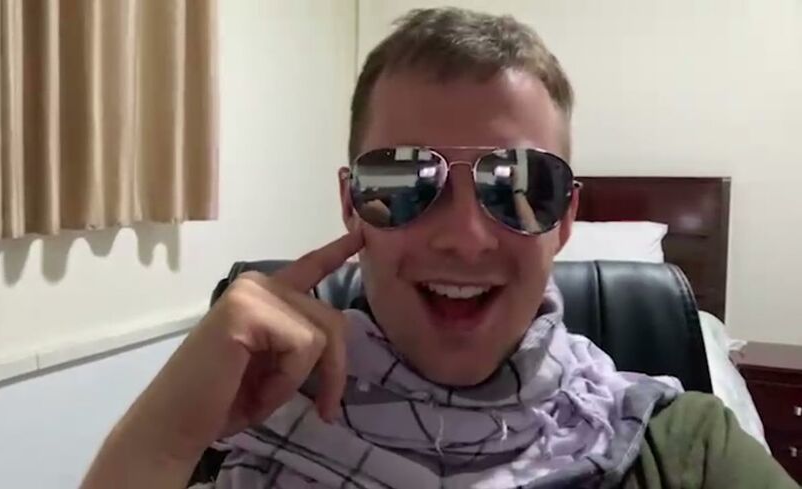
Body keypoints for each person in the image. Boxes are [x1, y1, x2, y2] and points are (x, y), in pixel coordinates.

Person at [81, 8, 796, 489]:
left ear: (565, 220)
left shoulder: (681, 450)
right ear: (351, 203)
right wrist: (164, 434)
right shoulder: (248, 424)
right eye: (404, 179)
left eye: (518, 185)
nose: (463, 237)